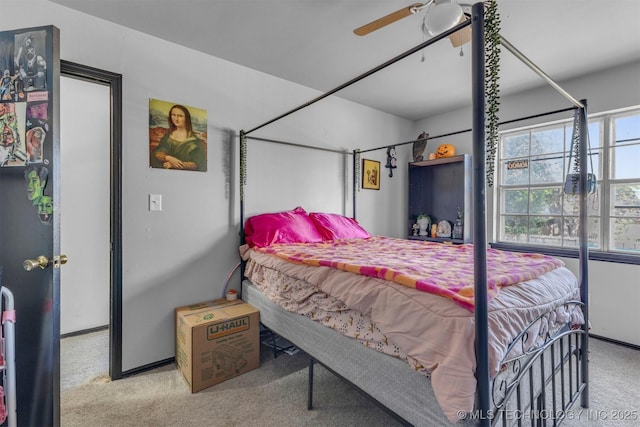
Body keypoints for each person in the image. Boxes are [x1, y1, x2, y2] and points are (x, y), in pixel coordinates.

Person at [151, 104, 206, 171]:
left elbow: (197, 164)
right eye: (173, 115)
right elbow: (158, 152)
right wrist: (169, 158)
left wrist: (175, 165)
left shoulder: (195, 142)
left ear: (186, 118)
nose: (176, 119)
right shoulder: (168, 136)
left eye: (180, 116)